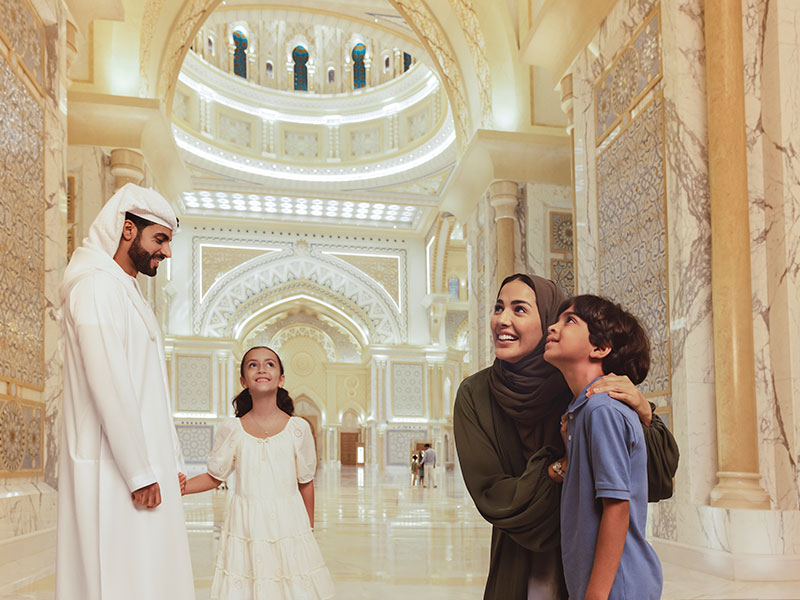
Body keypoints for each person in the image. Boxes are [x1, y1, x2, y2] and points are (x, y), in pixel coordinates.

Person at [453, 274, 678, 600]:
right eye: (498, 307)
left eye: (519, 310)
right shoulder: (475, 395)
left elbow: (649, 480)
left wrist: (645, 412)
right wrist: (563, 465)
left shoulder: (584, 390)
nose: (502, 319)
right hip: (518, 561)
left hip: (591, 567)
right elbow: (493, 496)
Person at [56, 184, 194, 599]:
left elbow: (150, 391)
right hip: (113, 469)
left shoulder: (125, 290)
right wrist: (138, 471)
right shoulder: (96, 287)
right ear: (128, 230)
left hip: (143, 466)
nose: (167, 253)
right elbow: (109, 383)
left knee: (146, 572)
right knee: (117, 574)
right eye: (161, 239)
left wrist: (169, 460)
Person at [183, 346, 335, 599]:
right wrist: (179, 487)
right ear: (243, 380)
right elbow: (214, 476)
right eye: (253, 365)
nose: (261, 368)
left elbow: (305, 482)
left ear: (281, 379)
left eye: (270, 364)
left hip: (289, 523)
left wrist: (307, 529)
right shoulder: (233, 429)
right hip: (246, 524)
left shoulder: (298, 428)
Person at [544, 295, 662, 600]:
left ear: (599, 348)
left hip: (618, 587)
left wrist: (594, 597)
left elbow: (617, 508)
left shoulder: (601, 410)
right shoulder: (582, 411)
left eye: (569, 321)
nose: (553, 328)